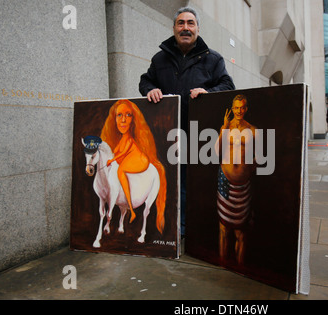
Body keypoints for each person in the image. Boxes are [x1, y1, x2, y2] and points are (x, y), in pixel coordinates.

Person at [139, 7, 235, 234]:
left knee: (192, 184)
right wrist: (151, 90)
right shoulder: (159, 58)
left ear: (198, 29)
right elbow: (145, 82)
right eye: (180, 23)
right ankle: (170, 229)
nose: (185, 28)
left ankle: (188, 230)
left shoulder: (213, 59)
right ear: (173, 29)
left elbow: (228, 86)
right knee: (169, 182)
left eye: (190, 23)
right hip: (166, 135)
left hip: (198, 135)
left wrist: (207, 92)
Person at [101, 99, 167, 232]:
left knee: (120, 171)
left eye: (128, 115)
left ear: (133, 119)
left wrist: (113, 160)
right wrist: (111, 159)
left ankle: (131, 208)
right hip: (129, 158)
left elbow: (122, 153)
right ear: (114, 118)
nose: (123, 120)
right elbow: (117, 152)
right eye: (119, 115)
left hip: (139, 159)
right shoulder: (122, 138)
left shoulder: (129, 138)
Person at [215, 95, 256, 266]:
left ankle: (240, 269)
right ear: (232, 109)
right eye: (236, 108)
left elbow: (260, 156)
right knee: (223, 229)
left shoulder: (253, 130)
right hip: (225, 182)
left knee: (241, 231)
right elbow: (217, 151)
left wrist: (248, 167)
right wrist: (224, 128)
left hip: (243, 186)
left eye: (242, 107)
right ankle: (223, 264)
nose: (239, 111)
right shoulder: (226, 128)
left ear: (246, 109)